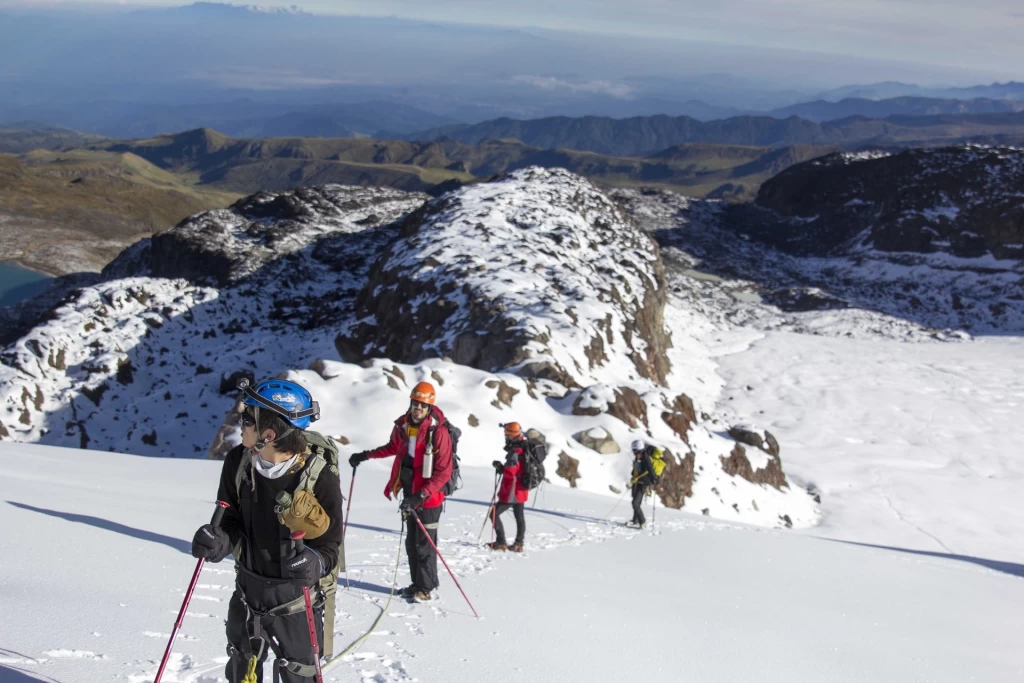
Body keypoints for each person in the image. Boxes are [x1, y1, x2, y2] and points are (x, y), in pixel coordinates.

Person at [191, 378, 344, 683]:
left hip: (296, 598)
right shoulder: (237, 462)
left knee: (298, 673)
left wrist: (315, 561)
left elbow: (330, 546)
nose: (241, 422)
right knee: (241, 665)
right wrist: (220, 541)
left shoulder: (319, 477)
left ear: (269, 433)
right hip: (248, 588)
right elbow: (231, 518)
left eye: (248, 418)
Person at [348, 381, 453, 603]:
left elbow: (444, 472)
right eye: (415, 403)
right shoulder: (403, 426)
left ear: (429, 407)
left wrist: (421, 495)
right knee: (412, 543)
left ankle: (425, 589)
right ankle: (417, 584)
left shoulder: (438, 432)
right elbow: (392, 447)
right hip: (409, 493)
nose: (418, 408)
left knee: (425, 545)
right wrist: (365, 455)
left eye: (422, 405)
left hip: (429, 499)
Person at [488, 422, 529, 552]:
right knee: (519, 516)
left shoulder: (515, 452)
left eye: (507, 433)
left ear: (512, 435)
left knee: (494, 513)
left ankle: (501, 542)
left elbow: (510, 473)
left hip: (512, 490)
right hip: (521, 489)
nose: (505, 435)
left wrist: (501, 468)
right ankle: (518, 543)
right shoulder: (524, 447)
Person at [627, 438, 656, 529]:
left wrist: (653, 479)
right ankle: (635, 520)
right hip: (637, 482)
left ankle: (642, 521)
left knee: (635, 503)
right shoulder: (638, 457)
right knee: (636, 502)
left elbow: (650, 469)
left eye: (634, 450)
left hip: (643, 483)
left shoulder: (645, 458)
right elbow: (636, 469)